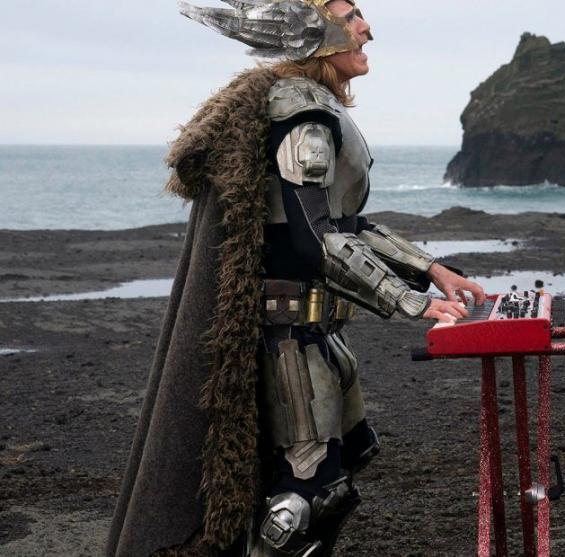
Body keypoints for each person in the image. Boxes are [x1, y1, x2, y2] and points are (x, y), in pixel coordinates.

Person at [105, 1, 484, 555]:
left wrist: (431, 270)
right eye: (350, 16)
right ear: (309, 31)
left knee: (342, 468)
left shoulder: (317, 107)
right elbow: (316, 240)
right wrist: (411, 302)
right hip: (288, 339)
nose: (366, 29)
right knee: (303, 499)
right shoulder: (300, 112)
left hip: (317, 333)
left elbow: (346, 226)